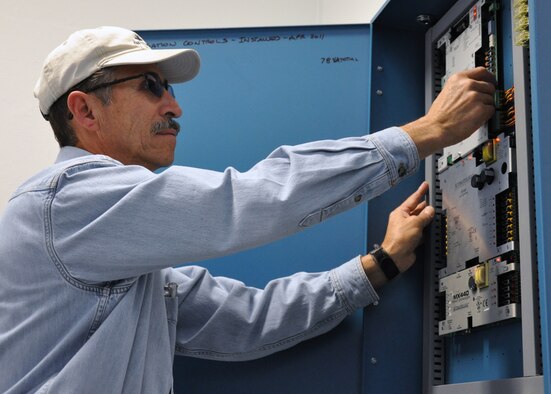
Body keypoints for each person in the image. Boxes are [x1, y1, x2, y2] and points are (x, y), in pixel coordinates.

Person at [0, 26, 496, 393]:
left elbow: (246, 322)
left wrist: (379, 265)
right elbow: (249, 200)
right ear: (85, 110)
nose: (174, 107)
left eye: (170, 90)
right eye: (151, 86)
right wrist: (425, 133)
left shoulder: (123, 256)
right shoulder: (68, 199)